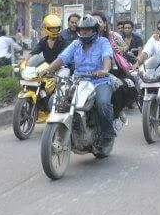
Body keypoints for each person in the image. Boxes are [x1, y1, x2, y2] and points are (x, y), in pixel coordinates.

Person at [39, 15, 116, 149]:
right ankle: (69, 128)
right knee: (53, 101)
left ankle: (107, 135)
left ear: (94, 30)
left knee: (103, 104)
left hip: (99, 81)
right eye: (81, 29)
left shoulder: (103, 42)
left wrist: (104, 69)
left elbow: (107, 57)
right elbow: (62, 59)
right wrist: (47, 70)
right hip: (77, 81)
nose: (84, 32)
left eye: (88, 29)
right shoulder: (75, 44)